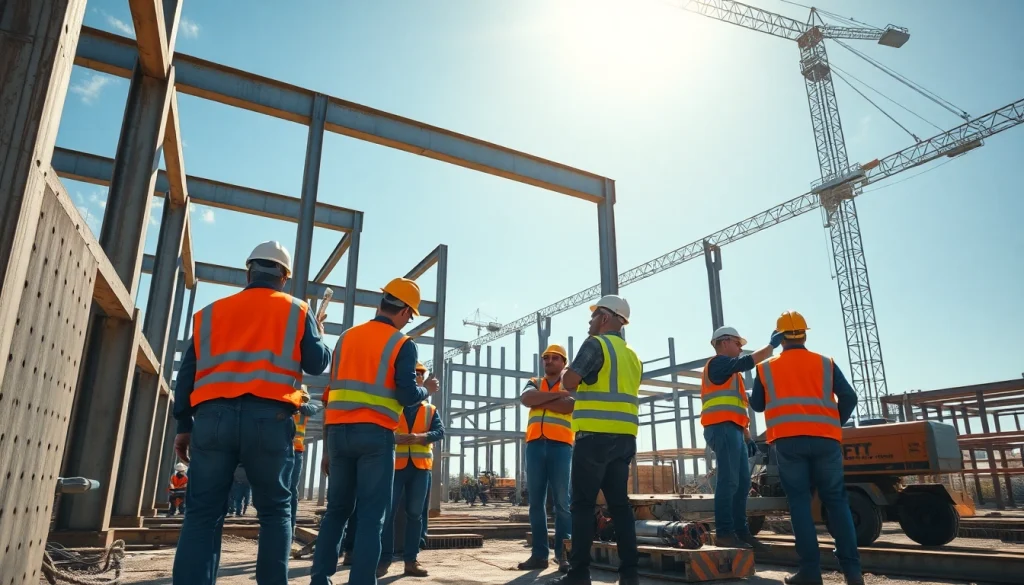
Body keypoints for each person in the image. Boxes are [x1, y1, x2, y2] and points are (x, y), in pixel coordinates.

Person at [171, 241, 331, 585]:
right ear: (284, 277)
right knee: (275, 513)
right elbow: (317, 363)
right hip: (269, 422)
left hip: (212, 421)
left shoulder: (210, 314)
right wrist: (317, 330)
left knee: (201, 516)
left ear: (249, 272)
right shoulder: (297, 311)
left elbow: (187, 375)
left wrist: (184, 426)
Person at [310, 277, 440, 585]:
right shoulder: (402, 343)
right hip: (375, 437)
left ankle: (319, 579)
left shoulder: (346, 337)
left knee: (336, 511)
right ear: (404, 309)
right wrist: (426, 389)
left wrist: (327, 448)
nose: (409, 320)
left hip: (339, 434)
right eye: (411, 314)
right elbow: (407, 395)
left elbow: (333, 393)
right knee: (371, 516)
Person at [749, 311, 862, 585]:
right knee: (836, 501)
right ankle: (852, 572)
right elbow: (849, 397)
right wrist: (833, 423)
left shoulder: (765, 368)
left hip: (789, 442)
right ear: (805, 334)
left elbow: (758, 405)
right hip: (826, 440)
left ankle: (810, 573)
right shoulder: (826, 363)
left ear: (779, 336)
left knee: (799, 504)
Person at [553, 295, 642, 585]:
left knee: (581, 505)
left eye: (593, 316)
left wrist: (567, 370)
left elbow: (569, 382)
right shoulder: (632, 355)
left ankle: (579, 574)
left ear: (605, 318)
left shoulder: (595, 344)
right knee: (619, 506)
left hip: (594, 438)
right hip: (625, 439)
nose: (589, 322)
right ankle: (630, 575)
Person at [700, 326, 782, 549]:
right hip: (721, 428)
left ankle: (741, 532)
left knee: (743, 482)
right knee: (729, 481)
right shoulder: (718, 364)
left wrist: (747, 437)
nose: (740, 348)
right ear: (724, 342)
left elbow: (737, 410)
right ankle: (725, 533)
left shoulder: (730, 374)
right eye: (738, 344)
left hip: (733, 430)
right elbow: (748, 362)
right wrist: (772, 346)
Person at [518, 344, 574, 572]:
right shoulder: (534, 381)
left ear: (564, 362)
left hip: (560, 446)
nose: (548, 361)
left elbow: (568, 406)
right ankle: (539, 555)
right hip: (534, 445)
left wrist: (543, 399)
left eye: (554, 358)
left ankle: (564, 555)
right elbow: (527, 399)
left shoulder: (571, 384)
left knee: (562, 502)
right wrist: (555, 397)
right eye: (546, 358)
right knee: (535, 503)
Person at [378, 392, 445, 577]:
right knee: (388, 513)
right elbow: (379, 430)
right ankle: (384, 560)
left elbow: (440, 432)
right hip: (394, 467)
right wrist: (394, 438)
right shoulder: (392, 405)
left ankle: (411, 560)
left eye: (419, 376)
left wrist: (421, 436)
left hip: (420, 468)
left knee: (415, 514)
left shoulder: (430, 410)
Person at [291, 386, 322, 532]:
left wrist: (300, 404)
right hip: (282, 452)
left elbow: (315, 407)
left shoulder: (304, 409)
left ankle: (290, 527)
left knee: (290, 490)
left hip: (295, 451)